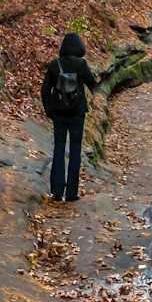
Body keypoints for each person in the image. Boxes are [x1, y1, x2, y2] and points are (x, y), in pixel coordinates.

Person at [41, 31, 96, 202]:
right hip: (77, 113)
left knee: (58, 149)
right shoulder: (81, 65)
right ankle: (71, 193)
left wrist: (49, 109)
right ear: (79, 47)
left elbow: (45, 90)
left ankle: (57, 191)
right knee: (75, 152)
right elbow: (93, 84)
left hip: (58, 113)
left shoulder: (54, 65)